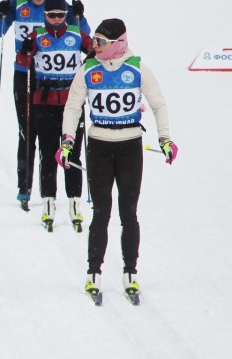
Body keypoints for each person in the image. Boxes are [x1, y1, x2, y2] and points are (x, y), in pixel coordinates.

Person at [58, 17, 177, 304]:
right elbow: (73, 106)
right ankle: (93, 272)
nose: (94, 46)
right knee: (101, 211)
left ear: (117, 43)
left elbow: (159, 103)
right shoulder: (88, 69)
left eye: (101, 42)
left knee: (129, 212)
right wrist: (67, 141)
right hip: (99, 146)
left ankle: (130, 272)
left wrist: (165, 138)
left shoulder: (137, 68)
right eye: (95, 41)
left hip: (129, 147)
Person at [0, 0, 89, 209]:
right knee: (26, 130)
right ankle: (24, 187)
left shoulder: (57, 7)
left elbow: (82, 37)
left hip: (53, 77)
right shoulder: (19, 5)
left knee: (57, 133)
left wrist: (80, 15)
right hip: (25, 73)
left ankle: (65, 191)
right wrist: (1, 14)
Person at [17, 0, 92, 231]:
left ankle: (74, 204)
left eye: (61, 15)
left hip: (71, 104)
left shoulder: (75, 34)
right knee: (48, 155)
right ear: (45, 15)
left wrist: (82, 18)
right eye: (52, 15)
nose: (57, 19)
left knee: (72, 155)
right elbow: (21, 63)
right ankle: (48, 203)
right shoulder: (37, 35)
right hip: (44, 102)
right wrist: (25, 50)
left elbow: (95, 51)